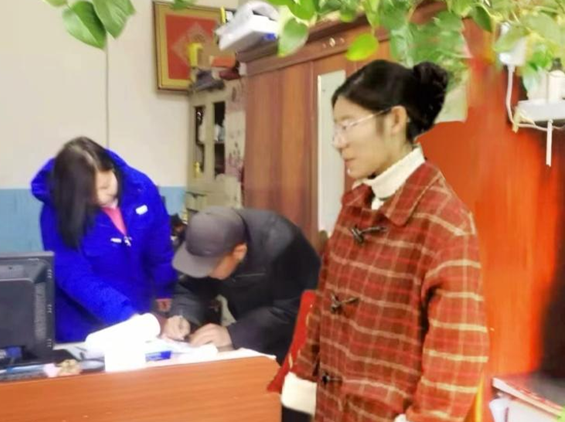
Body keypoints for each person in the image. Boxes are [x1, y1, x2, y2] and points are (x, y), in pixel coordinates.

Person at [284, 60, 489, 422]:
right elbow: (323, 310)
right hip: (330, 410)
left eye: (348, 125)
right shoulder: (354, 207)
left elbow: (456, 357)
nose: (338, 142)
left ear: (395, 120)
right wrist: (303, 383)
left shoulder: (444, 222)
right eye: (336, 127)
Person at [31, 137, 176, 343]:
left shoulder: (141, 188)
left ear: (112, 169)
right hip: (83, 323)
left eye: (106, 185)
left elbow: (159, 243)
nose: (103, 196)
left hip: (138, 307)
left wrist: (164, 287)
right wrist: (124, 315)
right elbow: (73, 275)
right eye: (90, 194)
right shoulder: (56, 212)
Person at [164, 206, 320, 363]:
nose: (204, 273)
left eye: (210, 267)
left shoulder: (281, 243)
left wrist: (233, 334)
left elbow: (291, 308)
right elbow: (191, 287)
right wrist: (183, 316)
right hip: (252, 332)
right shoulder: (208, 240)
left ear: (239, 252)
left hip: (300, 339)